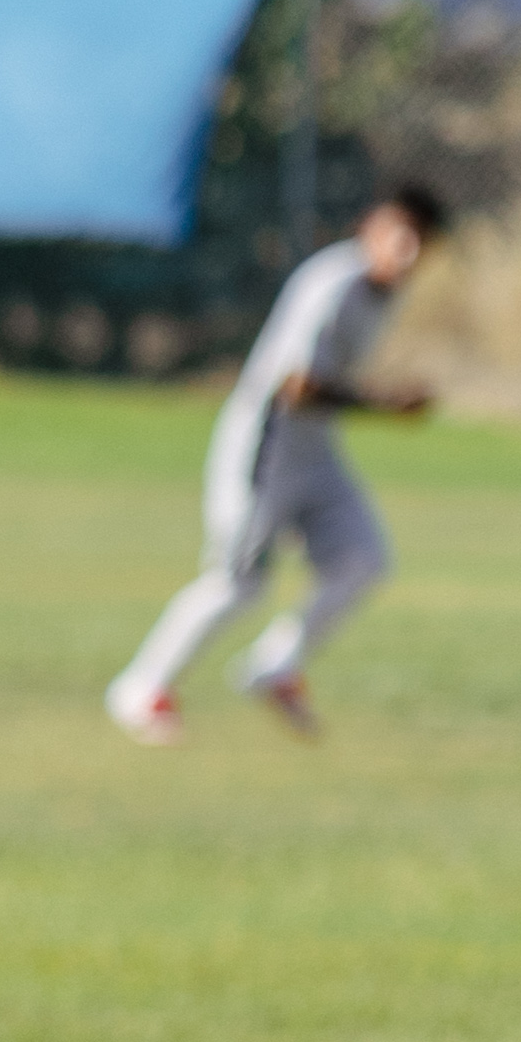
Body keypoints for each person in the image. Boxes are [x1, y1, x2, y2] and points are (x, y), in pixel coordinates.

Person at [105, 186, 448, 742]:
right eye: (396, 233)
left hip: (316, 450)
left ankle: (274, 666)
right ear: (369, 229)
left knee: (362, 561)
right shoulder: (332, 282)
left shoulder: (387, 295)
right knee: (238, 583)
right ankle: (141, 687)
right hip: (266, 444)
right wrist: (385, 404)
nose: (405, 250)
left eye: (419, 240)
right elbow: (294, 385)